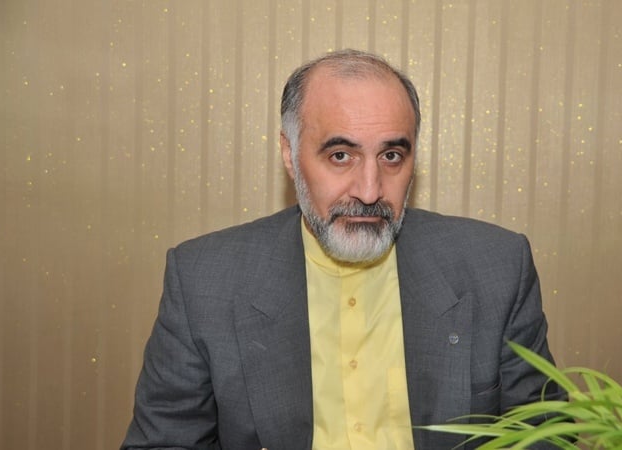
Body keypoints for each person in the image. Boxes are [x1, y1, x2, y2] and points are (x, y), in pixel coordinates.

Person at [121, 49, 565, 450]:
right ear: (290, 154)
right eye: (340, 156)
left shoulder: (497, 267)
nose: (370, 191)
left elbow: (546, 437)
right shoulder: (203, 280)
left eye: (391, 156)